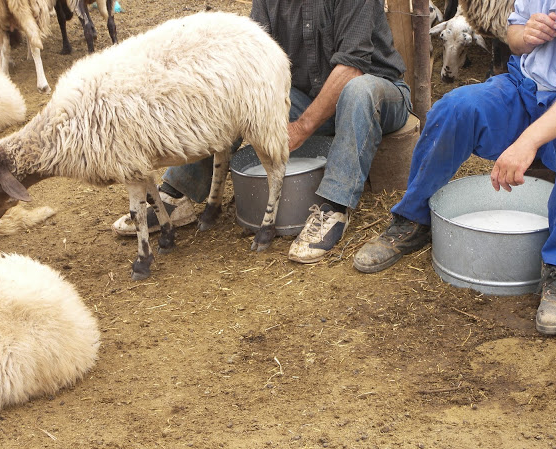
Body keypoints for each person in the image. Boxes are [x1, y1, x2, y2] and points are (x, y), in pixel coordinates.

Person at [353, 0, 556, 336]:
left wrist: (526, 143)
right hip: (524, 88)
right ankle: (413, 219)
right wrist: (525, 36)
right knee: (453, 108)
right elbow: (513, 33)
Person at [112, 0, 412, 263]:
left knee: (358, 90)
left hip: (378, 94)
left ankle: (334, 208)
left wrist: (301, 128)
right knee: (235, 89)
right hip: (303, 95)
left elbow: (351, 67)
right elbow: (250, 59)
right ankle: (179, 192)